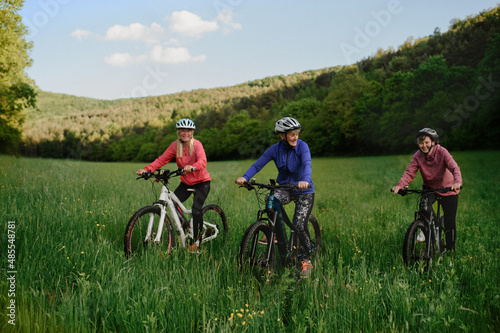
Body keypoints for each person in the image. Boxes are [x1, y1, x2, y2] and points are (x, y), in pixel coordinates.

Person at [235, 117, 315, 277]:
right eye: (292, 134)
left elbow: (307, 164)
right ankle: (276, 233)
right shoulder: (274, 150)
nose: (295, 137)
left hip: (303, 190)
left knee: (299, 224)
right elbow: (258, 164)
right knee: (270, 199)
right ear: (282, 135)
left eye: (297, 134)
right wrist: (245, 177)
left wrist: (305, 180)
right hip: (285, 187)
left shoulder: (302, 147)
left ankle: (307, 258)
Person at [137, 119, 211, 253]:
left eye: (188, 130)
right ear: (178, 132)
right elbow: (161, 159)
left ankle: (196, 242)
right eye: (182, 130)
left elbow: (202, 161)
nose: (185, 133)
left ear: (192, 132)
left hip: (202, 182)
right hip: (186, 182)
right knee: (172, 203)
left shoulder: (197, 145)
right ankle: (186, 227)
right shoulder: (175, 146)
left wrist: (193, 167)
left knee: (196, 210)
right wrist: (147, 170)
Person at [392, 128, 462, 253]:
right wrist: (400, 185)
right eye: (421, 143)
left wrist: (457, 182)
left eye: (427, 142)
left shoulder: (442, 152)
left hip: (448, 188)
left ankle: (450, 251)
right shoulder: (417, 156)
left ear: (434, 142)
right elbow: (409, 172)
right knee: (424, 206)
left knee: (450, 223)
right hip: (430, 188)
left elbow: (454, 167)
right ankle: (426, 227)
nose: (424, 146)